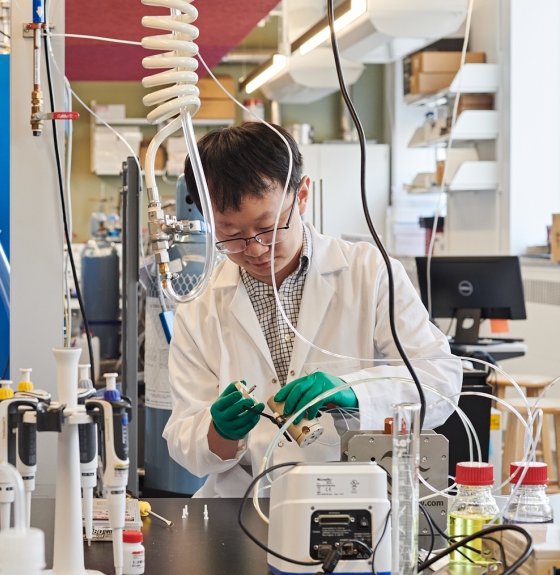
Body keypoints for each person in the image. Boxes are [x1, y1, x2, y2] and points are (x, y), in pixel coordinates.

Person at [163, 123, 462, 497]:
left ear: (302, 195)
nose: (255, 250)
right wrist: (218, 432)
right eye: (230, 234)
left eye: (267, 227)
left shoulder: (370, 273)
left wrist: (354, 392)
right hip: (244, 503)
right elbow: (184, 442)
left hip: (355, 496)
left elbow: (442, 380)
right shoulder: (200, 305)